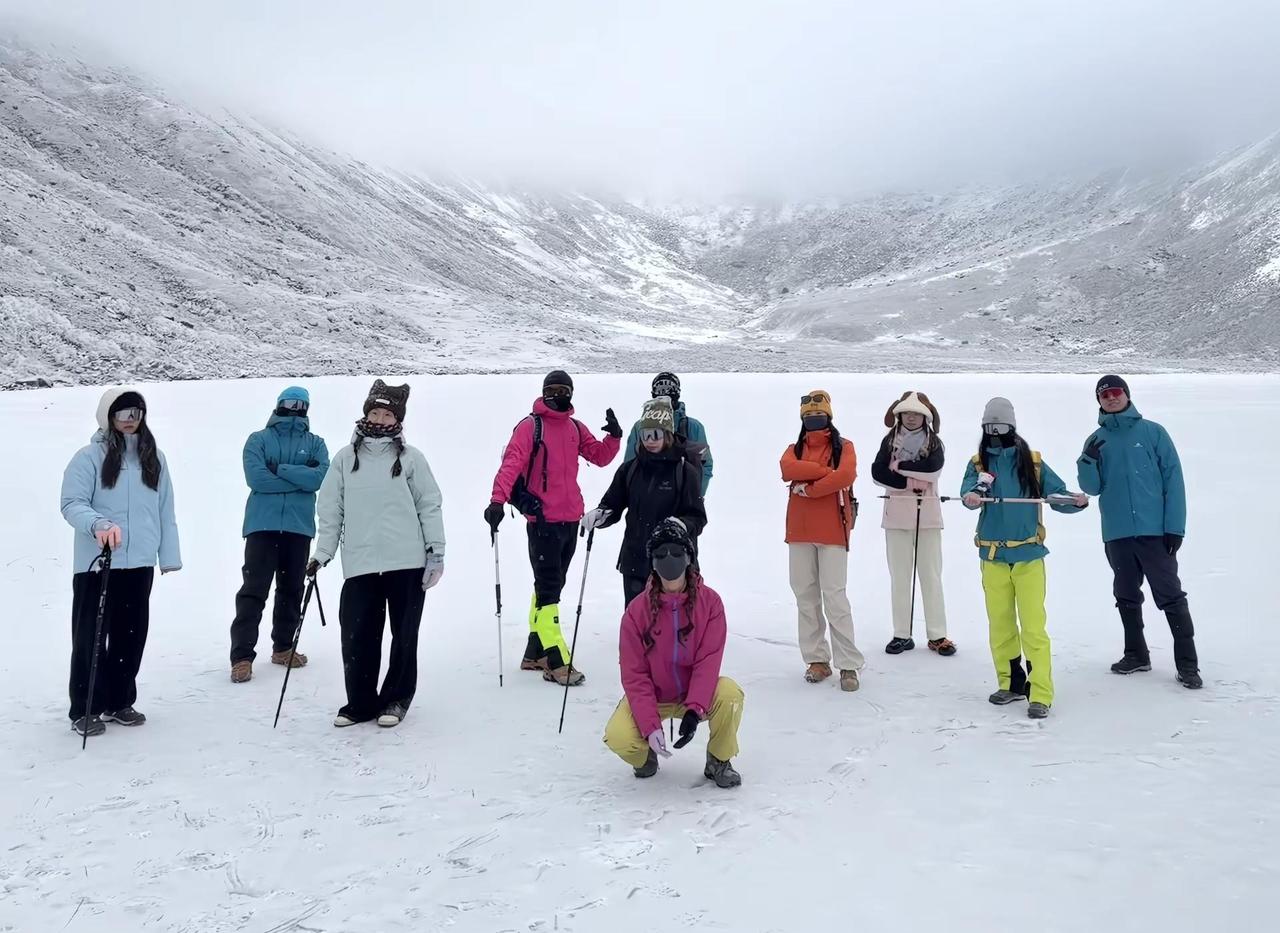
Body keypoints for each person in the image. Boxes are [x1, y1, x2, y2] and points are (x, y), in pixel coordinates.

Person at [310, 380, 445, 728]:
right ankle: (360, 703)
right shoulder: (344, 459)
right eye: (375, 412)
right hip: (361, 562)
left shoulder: (411, 458)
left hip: (407, 562)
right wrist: (322, 554)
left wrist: (435, 553)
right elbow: (330, 510)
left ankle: (396, 700)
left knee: (404, 635)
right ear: (366, 413)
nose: (381, 419)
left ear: (397, 419)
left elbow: (429, 505)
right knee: (357, 635)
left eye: (388, 414)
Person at [485, 370, 621, 686]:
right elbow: (511, 464)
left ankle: (535, 652)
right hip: (542, 520)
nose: (558, 395)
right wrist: (497, 501)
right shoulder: (530, 427)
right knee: (548, 590)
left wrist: (613, 437)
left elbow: (599, 457)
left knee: (552, 584)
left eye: (564, 390)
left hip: (570, 518)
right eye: (552, 390)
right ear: (543, 392)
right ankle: (557, 660)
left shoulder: (574, 427)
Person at [59, 388, 181, 736]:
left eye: (136, 413)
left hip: (139, 562)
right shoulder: (88, 458)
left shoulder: (154, 457)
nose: (130, 420)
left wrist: (167, 555)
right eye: (123, 413)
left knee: (131, 634)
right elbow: (71, 503)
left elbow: (164, 509)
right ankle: (86, 707)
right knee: (91, 637)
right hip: (98, 562)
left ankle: (119, 701)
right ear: (107, 416)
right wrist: (98, 524)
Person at [961, 397, 1089, 720]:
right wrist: (972, 497)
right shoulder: (978, 464)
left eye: (1000, 428)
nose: (994, 434)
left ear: (1012, 428)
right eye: (989, 428)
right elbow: (967, 496)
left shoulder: (1031, 463)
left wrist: (1073, 501)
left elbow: (1054, 494)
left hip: (1029, 556)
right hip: (992, 556)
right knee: (1000, 625)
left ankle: (1040, 692)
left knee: (1033, 626)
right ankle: (1011, 683)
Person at [1076, 376, 1201, 688]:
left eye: (1116, 392)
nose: (1111, 398)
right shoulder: (1096, 440)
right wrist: (1087, 461)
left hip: (1154, 531)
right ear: (1099, 401)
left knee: (1171, 595)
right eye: (1104, 394)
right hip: (1117, 532)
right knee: (1126, 594)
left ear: (1127, 395)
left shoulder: (1153, 433)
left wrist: (1174, 527)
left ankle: (1188, 664)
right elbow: (1091, 488)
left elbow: (1174, 481)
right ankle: (1136, 654)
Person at [603, 519, 744, 788]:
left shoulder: (710, 603)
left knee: (730, 695)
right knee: (618, 736)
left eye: (677, 553)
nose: (670, 560)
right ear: (652, 562)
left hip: (694, 695)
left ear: (689, 557)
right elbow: (634, 675)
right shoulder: (636, 611)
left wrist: (695, 710)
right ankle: (646, 756)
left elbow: (708, 661)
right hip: (654, 696)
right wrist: (649, 725)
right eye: (661, 554)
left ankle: (718, 759)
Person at [229, 386, 330, 683]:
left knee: (291, 589)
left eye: (301, 404)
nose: (295, 408)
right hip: (262, 525)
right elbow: (256, 479)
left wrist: (280, 469)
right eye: (289, 402)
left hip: (299, 526)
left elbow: (319, 478)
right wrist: (299, 476)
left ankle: (283, 648)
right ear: (278, 404)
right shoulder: (258, 439)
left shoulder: (316, 443)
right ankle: (242, 657)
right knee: (254, 590)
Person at [582, 396, 707, 605]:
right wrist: (600, 515)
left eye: (655, 434)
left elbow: (697, 517)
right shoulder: (630, 469)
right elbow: (612, 504)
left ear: (667, 434)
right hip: (635, 561)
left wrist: (681, 524)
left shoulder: (685, 471)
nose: (650, 440)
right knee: (636, 622)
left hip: (673, 563)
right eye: (645, 434)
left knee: (671, 624)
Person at [780, 389, 865, 691]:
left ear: (828, 415)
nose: (814, 420)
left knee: (835, 597)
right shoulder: (795, 448)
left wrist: (811, 488)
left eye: (819, 415)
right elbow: (787, 469)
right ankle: (816, 659)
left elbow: (846, 476)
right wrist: (823, 473)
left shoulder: (845, 447)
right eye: (809, 416)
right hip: (800, 531)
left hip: (832, 531)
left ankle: (848, 663)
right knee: (805, 595)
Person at [871, 391, 954, 656]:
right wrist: (910, 481)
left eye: (916, 413)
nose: (911, 417)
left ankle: (937, 634)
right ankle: (901, 634)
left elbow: (933, 470)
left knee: (931, 575)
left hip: (927, 516)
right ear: (899, 415)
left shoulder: (934, 442)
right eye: (907, 412)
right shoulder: (889, 441)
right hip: (896, 517)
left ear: (925, 417)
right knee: (900, 577)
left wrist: (898, 467)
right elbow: (878, 472)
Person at [622, 373, 713, 494]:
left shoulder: (693, 427)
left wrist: (692, 497)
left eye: (669, 394)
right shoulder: (640, 426)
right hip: (648, 499)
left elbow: (705, 465)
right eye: (660, 393)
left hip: (683, 502)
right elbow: (630, 466)